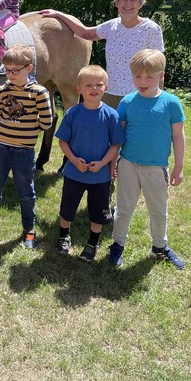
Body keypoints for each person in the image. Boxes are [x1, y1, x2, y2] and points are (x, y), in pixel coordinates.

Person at [107, 49, 186, 269]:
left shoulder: (171, 103)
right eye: (137, 76)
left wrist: (179, 167)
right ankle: (117, 245)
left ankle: (160, 246)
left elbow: (178, 136)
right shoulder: (127, 102)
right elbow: (117, 138)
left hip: (157, 167)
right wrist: (113, 164)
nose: (142, 81)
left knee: (158, 210)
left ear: (161, 75)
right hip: (128, 165)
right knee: (123, 208)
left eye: (149, 77)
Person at [39, 0, 164, 109]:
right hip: (111, 94)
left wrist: (158, 98)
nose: (128, 3)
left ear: (141, 3)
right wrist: (59, 15)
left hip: (141, 94)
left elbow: (159, 67)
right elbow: (85, 33)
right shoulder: (111, 26)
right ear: (117, 2)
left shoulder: (151, 29)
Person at [54, 65, 125, 261]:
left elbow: (115, 145)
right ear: (79, 89)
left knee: (97, 213)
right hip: (74, 173)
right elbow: (63, 141)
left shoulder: (112, 115)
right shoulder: (73, 113)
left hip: (100, 176)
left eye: (99, 84)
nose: (94, 88)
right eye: (88, 85)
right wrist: (74, 160)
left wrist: (104, 163)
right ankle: (63, 236)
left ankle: (92, 243)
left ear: (106, 87)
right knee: (67, 208)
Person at [0, 44, 53, 248]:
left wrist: (28, 131)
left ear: (29, 68)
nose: (10, 74)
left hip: (24, 150)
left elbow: (47, 122)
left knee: (26, 191)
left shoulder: (39, 93)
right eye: (7, 69)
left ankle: (29, 229)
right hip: (0, 147)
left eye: (16, 70)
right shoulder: (1, 90)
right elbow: (1, 116)